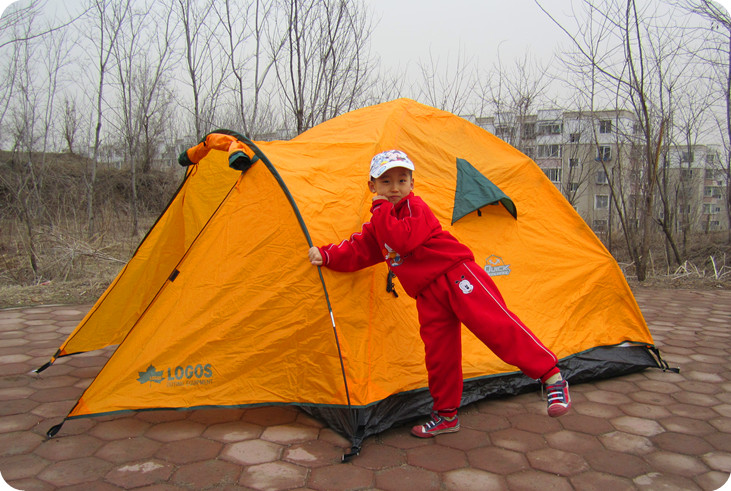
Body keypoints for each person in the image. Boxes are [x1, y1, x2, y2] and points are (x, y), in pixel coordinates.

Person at [307, 149, 571, 438]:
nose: (394, 188)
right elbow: (358, 249)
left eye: (402, 180)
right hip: (427, 293)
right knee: (439, 355)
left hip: (456, 274)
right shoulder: (379, 225)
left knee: (495, 326)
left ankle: (552, 377)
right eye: (385, 182)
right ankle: (446, 415)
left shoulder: (415, 208)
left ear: (412, 184)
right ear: (372, 186)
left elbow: (402, 240)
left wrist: (380, 208)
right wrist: (327, 255)